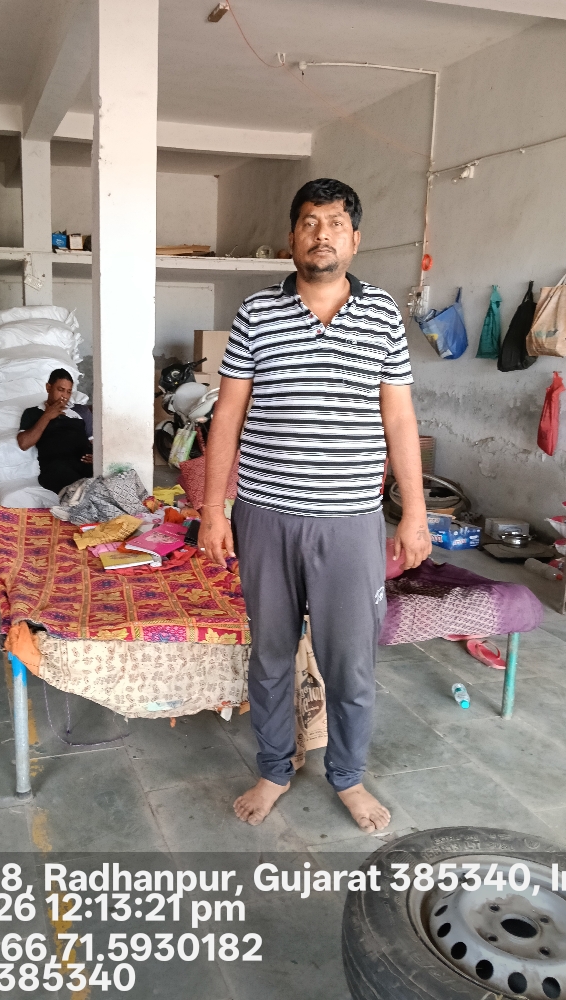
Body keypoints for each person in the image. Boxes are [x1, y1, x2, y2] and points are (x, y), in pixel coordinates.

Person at [198, 178, 432, 832]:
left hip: (350, 522)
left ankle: (348, 776)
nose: (320, 234)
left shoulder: (383, 315)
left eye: (333, 223)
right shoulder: (256, 313)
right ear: (291, 238)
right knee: (271, 656)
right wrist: (213, 508)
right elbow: (227, 415)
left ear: (354, 239)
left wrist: (414, 512)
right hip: (265, 516)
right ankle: (275, 768)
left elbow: (399, 419)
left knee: (350, 665)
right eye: (308, 222)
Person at [17, 368, 93, 495]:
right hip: (57, 469)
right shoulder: (33, 413)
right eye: (60, 390)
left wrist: (96, 458)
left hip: (85, 465)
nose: (65, 396)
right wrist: (47, 415)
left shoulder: (81, 411)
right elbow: (24, 443)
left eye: (68, 392)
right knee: (73, 486)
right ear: (48, 387)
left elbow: (94, 442)